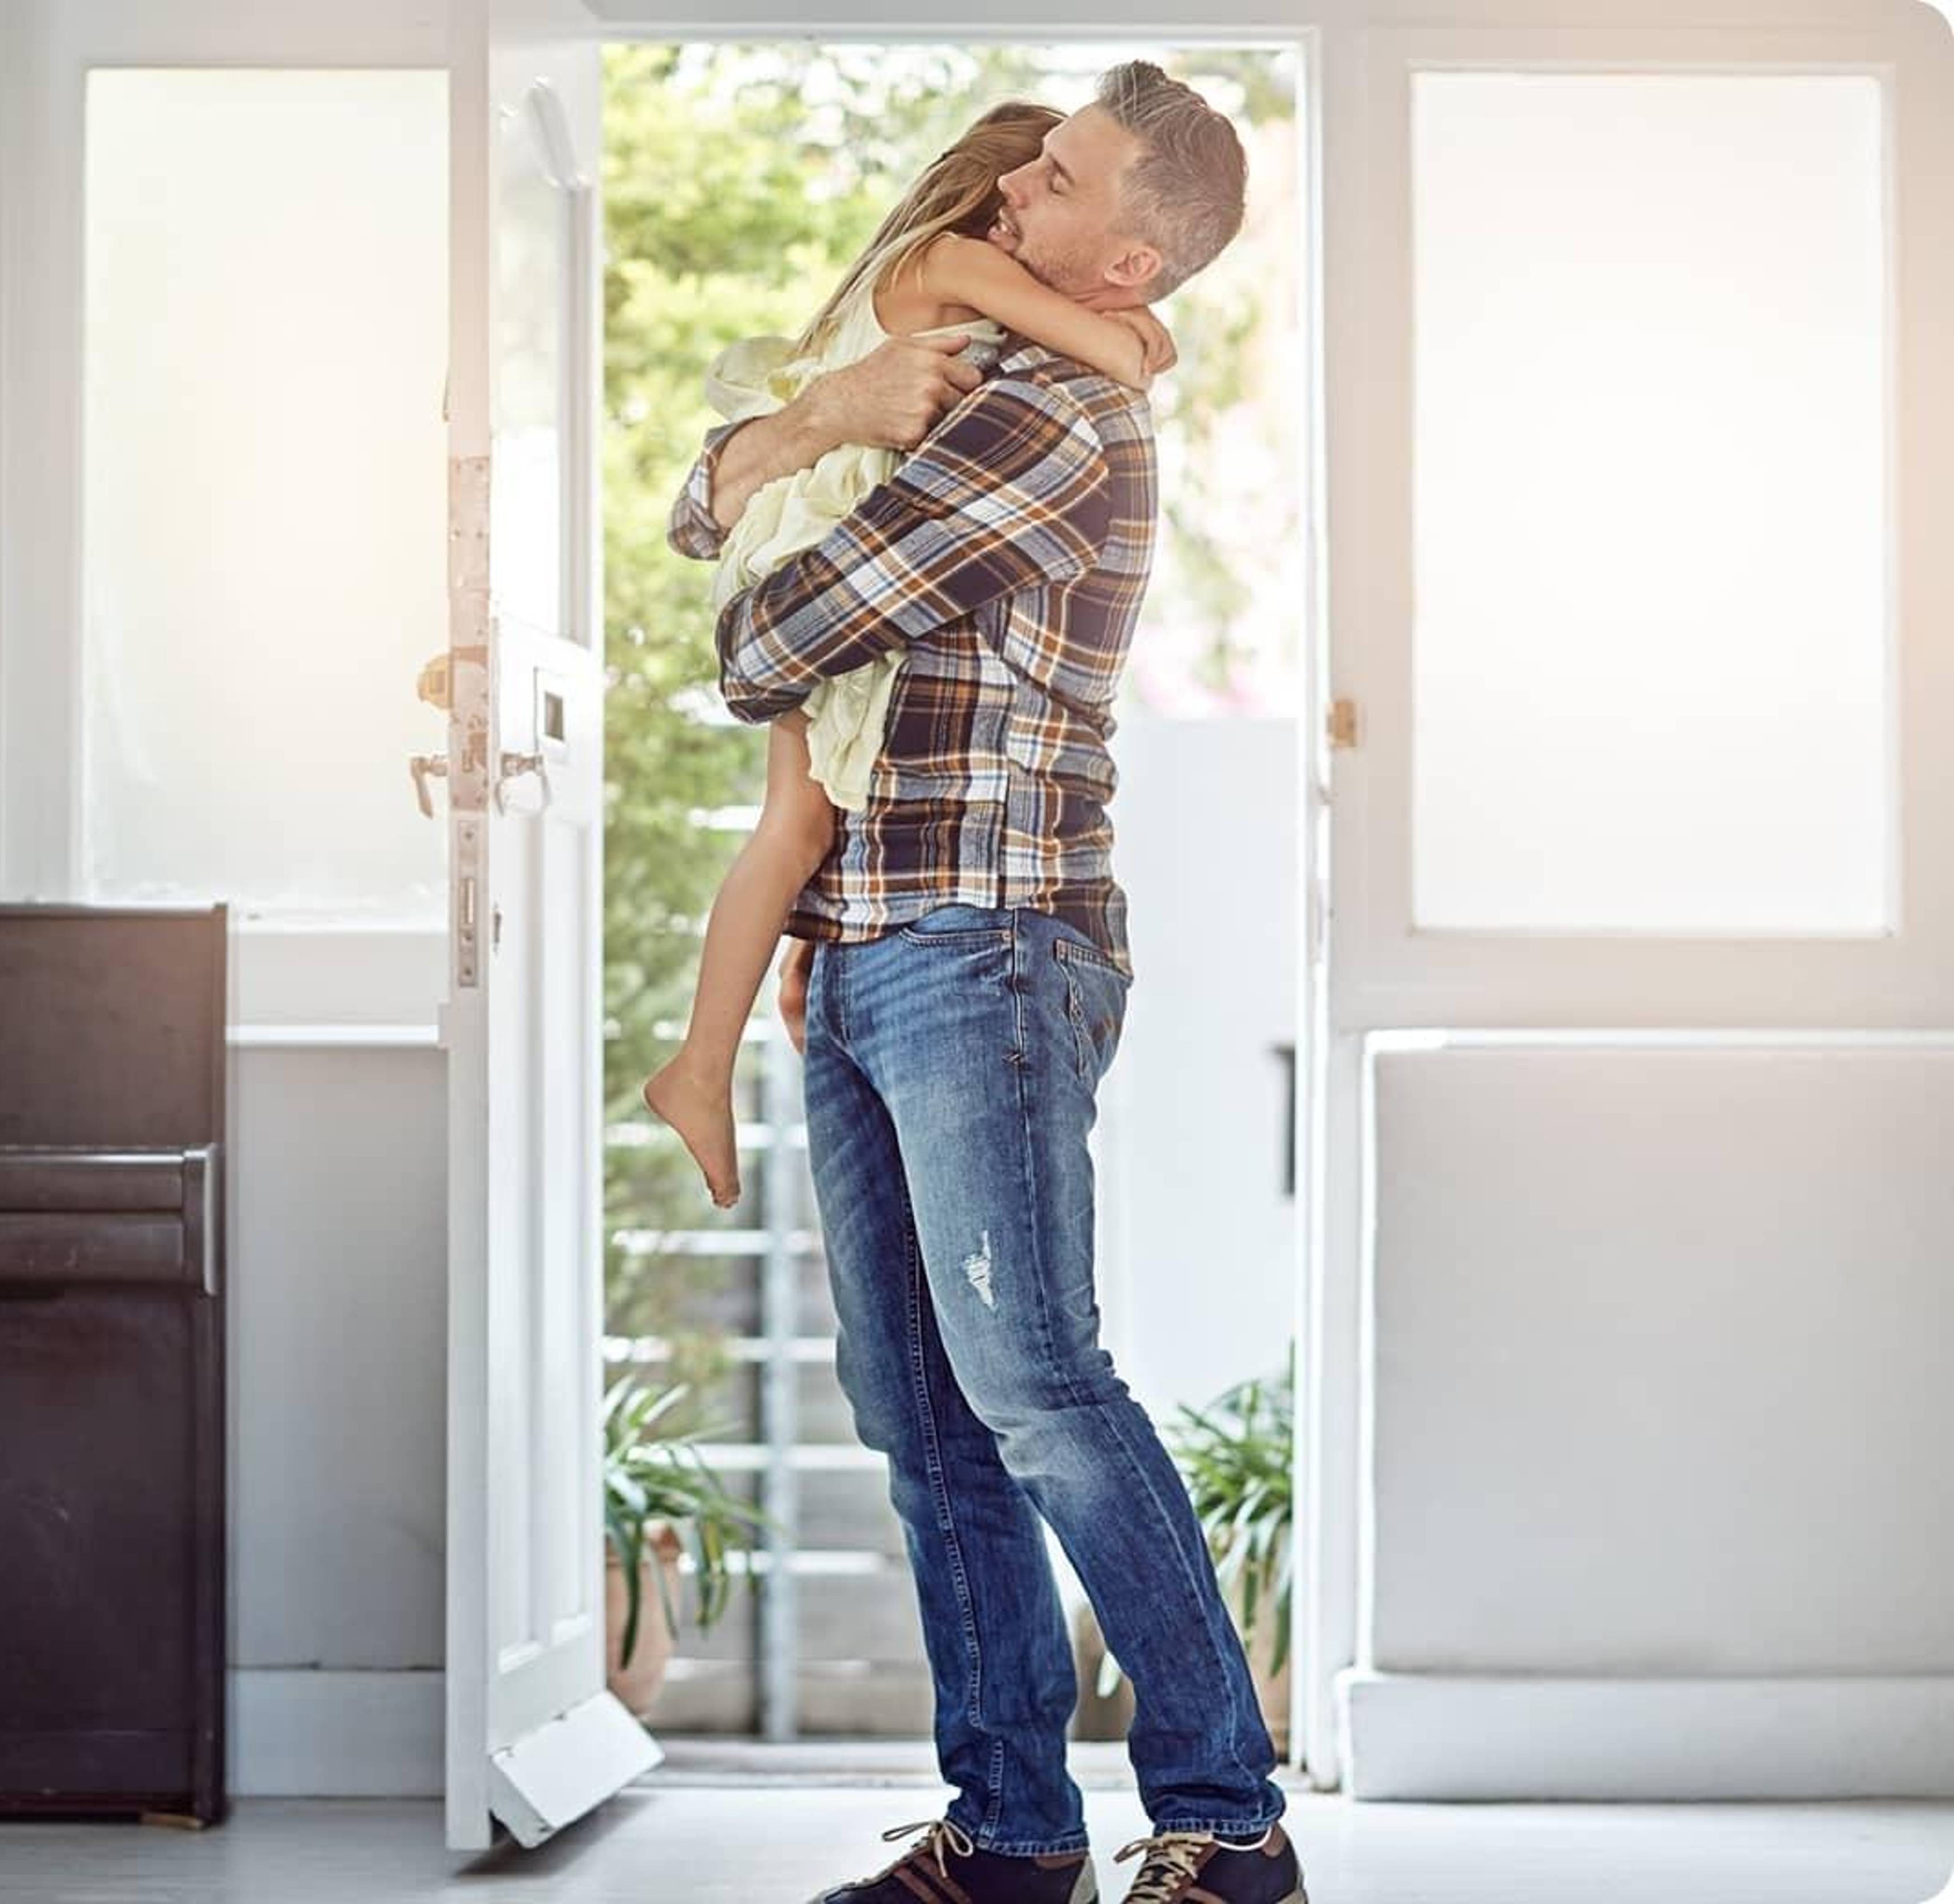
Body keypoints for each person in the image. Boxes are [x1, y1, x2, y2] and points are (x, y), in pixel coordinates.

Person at [664, 58, 1310, 1904]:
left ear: (1124, 258)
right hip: (875, 950)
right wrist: (809, 424)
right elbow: (730, 537)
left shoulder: (1051, 428)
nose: (1019, 177)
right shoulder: (965, 381)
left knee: (1033, 1376)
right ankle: (1015, 1830)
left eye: (1061, 173)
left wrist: (801, 440)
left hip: (990, 947)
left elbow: (769, 631)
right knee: (916, 1400)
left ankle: (1230, 1822)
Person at [644, 99, 1178, 1211]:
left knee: (797, 826)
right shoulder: (952, 259)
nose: (1029, 224)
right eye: (1028, 197)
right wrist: (1127, 340)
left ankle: (700, 1064)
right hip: (798, 544)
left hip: (793, 545)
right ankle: (697, 1068)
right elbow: (695, 523)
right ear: (993, 203)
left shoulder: (903, 286)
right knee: (791, 820)